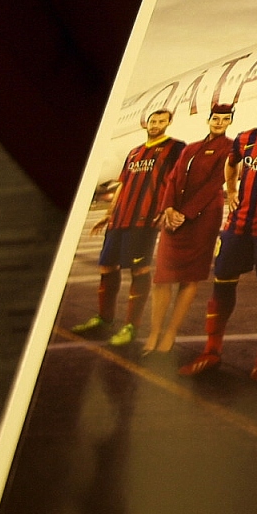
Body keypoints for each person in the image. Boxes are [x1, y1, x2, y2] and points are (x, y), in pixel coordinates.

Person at [177, 89, 257, 380]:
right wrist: (231, 190)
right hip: (239, 223)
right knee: (223, 282)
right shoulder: (245, 138)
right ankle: (212, 350)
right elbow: (231, 163)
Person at [73, 109, 185, 346]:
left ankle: (131, 326)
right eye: (153, 121)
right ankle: (104, 318)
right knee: (107, 267)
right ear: (146, 124)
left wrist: (169, 208)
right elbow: (123, 185)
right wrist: (109, 214)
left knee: (139, 270)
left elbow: (179, 181)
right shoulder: (134, 152)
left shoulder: (175, 148)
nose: (155, 125)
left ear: (169, 123)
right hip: (120, 219)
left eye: (161, 121)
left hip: (145, 220)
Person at [145, 105, 234, 354]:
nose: (219, 122)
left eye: (225, 119)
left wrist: (186, 213)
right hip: (174, 216)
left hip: (202, 219)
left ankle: (170, 332)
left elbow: (215, 183)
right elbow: (173, 178)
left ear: (229, 122)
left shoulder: (230, 148)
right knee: (162, 277)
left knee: (189, 278)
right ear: (208, 120)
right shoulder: (191, 148)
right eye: (216, 118)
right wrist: (168, 208)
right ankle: (154, 331)